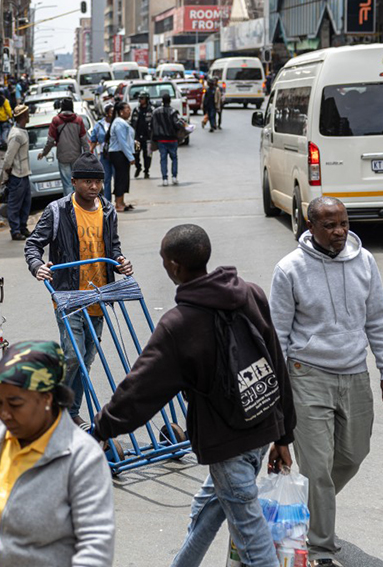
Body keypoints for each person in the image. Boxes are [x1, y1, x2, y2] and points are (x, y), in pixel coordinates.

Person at [92, 224, 297, 567]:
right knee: (209, 506)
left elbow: (141, 389)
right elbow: (276, 362)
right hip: (260, 425)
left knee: (253, 544)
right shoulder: (250, 293)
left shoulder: (179, 323)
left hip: (226, 442)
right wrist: (284, 434)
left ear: (174, 266)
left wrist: (101, 429)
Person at [269, 197, 383, 566]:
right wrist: (280, 392)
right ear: (310, 227)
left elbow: (378, 318)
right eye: (329, 225)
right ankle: (321, 550)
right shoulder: (289, 269)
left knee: (354, 454)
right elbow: (277, 333)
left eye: (343, 223)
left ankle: (311, 511)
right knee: (318, 467)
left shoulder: (364, 261)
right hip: (307, 374)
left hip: (355, 371)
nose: (339, 231)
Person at [0, 340, 115, 567]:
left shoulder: (82, 458)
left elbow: (95, 551)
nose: (4, 413)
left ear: (46, 399)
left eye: (15, 403)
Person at [25, 153, 133, 427]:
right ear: (74, 182)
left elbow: (114, 246)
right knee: (73, 356)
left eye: (97, 181)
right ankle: (59, 411)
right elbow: (33, 245)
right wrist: (38, 266)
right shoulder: (58, 211)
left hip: (99, 295)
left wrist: (120, 262)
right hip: (69, 296)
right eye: (87, 181)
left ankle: (71, 412)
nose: (93, 187)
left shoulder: (108, 210)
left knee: (87, 357)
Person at [38, 98, 89, 197]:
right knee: (77, 182)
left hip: (62, 156)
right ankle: (78, 203)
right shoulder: (78, 120)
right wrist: (87, 156)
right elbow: (84, 140)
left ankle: (69, 205)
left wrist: (44, 153)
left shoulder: (56, 120)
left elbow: (50, 141)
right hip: (76, 156)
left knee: (67, 183)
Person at [2, 104, 32, 241]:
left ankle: (22, 227)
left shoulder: (22, 131)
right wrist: (7, 173)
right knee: (15, 204)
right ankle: (15, 230)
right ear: (23, 116)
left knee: (26, 203)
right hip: (17, 175)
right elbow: (8, 158)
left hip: (24, 173)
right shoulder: (16, 135)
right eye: (27, 114)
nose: (29, 116)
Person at [107, 101, 136, 212]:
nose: (129, 111)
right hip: (118, 153)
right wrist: (130, 157)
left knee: (124, 177)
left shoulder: (122, 122)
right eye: (127, 109)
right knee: (120, 178)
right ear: (121, 111)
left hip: (122, 153)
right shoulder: (119, 123)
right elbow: (122, 142)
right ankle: (118, 203)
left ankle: (121, 201)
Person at [151, 93, 183, 186]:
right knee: (174, 158)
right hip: (172, 139)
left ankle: (164, 178)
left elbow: (152, 125)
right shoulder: (173, 111)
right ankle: (174, 177)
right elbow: (177, 124)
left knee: (163, 159)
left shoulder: (156, 112)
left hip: (161, 140)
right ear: (170, 101)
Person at [89, 103, 117, 203]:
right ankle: (108, 201)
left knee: (117, 178)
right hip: (104, 156)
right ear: (107, 113)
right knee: (106, 180)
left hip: (116, 154)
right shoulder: (99, 125)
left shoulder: (117, 123)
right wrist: (90, 151)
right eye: (111, 112)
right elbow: (93, 139)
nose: (113, 114)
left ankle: (118, 200)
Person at [130, 91, 154, 179]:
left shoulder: (151, 110)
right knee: (136, 154)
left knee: (147, 155)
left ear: (146, 99)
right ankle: (138, 167)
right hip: (137, 138)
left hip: (148, 137)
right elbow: (132, 123)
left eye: (142, 98)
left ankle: (146, 171)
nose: (140, 100)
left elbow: (154, 123)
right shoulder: (136, 110)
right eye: (139, 98)